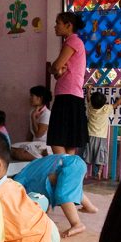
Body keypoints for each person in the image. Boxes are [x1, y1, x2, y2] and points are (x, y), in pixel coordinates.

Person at [14, 154, 98, 238]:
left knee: (62, 194)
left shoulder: (20, 181)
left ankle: (76, 224)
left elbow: (37, 196)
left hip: (68, 164)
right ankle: (90, 207)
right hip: (75, 162)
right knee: (69, 188)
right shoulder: (30, 172)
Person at [47, 12, 88, 155]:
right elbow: (59, 72)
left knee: (56, 139)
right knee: (70, 142)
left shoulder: (72, 41)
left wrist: (53, 68)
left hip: (66, 95)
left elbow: (56, 67)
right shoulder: (76, 42)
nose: (55, 26)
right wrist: (57, 71)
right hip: (74, 95)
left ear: (68, 25)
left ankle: (64, 172)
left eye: (58, 23)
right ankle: (70, 175)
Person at [11, 85, 52, 162]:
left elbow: (38, 134)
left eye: (32, 96)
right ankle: (40, 156)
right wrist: (25, 144)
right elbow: (30, 132)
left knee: (20, 154)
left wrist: (33, 117)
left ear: (40, 98)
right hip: (34, 144)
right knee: (11, 149)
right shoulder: (32, 112)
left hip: (43, 145)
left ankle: (45, 158)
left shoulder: (47, 114)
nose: (30, 98)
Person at [84, 92, 112, 179]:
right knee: (101, 155)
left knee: (87, 154)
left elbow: (89, 100)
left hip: (90, 136)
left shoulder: (90, 108)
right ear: (104, 103)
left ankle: (85, 173)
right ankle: (99, 172)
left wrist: (89, 91)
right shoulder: (106, 109)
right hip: (101, 137)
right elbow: (116, 104)